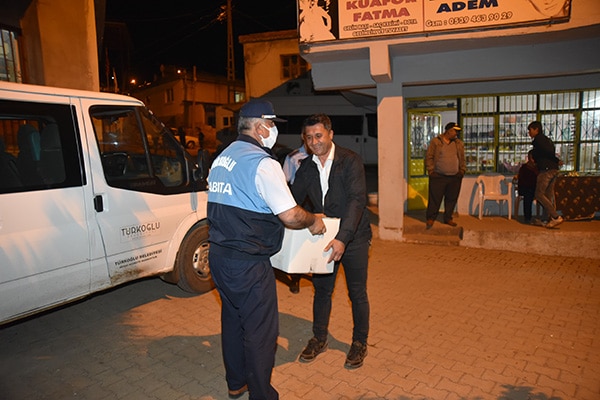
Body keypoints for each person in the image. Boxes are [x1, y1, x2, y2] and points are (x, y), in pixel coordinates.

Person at [207, 99, 326, 400]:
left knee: (233, 321)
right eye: (272, 125)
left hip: (220, 257)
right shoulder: (263, 163)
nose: (274, 131)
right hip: (248, 264)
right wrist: (313, 221)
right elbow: (290, 215)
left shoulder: (223, 158)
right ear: (260, 127)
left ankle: (236, 383)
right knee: (261, 333)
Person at [291, 113, 372, 370]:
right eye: (309, 137)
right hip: (324, 238)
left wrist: (342, 239)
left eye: (318, 135)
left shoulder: (350, 161)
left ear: (330, 134)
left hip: (354, 236)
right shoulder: (305, 167)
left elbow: (357, 201)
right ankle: (319, 338)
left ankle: (359, 343)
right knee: (322, 291)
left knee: (356, 293)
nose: (314, 141)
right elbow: (293, 200)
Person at [425, 122, 466, 229]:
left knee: (452, 198)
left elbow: (462, 158)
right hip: (438, 176)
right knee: (435, 198)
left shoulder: (458, 144)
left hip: (455, 177)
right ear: (448, 131)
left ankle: (448, 218)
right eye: (455, 131)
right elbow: (429, 156)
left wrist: (462, 171)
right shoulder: (436, 142)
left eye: (457, 131)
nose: (456, 133)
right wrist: (431, 171)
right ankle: (431, 218)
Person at [282, 143, 310, 294]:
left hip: (314, 201)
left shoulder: (320, 154)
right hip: (298, 200)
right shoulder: (293, 157)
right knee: (297, 240)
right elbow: (285, 180)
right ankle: (295, 278)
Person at [528, 120, 563, 228]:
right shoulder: (547, 140)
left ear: (536, 129)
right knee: (547, 195)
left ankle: (555, 217)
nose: (529, 133)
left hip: (546, 170)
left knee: (539, 194)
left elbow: (547, 152)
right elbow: (549, 152)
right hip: (553, 169)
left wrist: (555, 160)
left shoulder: (539, 140)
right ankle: (545, 219)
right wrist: (556, 161)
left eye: (530, 130)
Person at [515, 150, 538, 224]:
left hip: (536, 188)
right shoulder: (524, 167)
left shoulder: (538, 168)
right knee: (528, 195)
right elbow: (522, 180)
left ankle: (546, 216)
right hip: (526, 188)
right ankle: (527, 218)